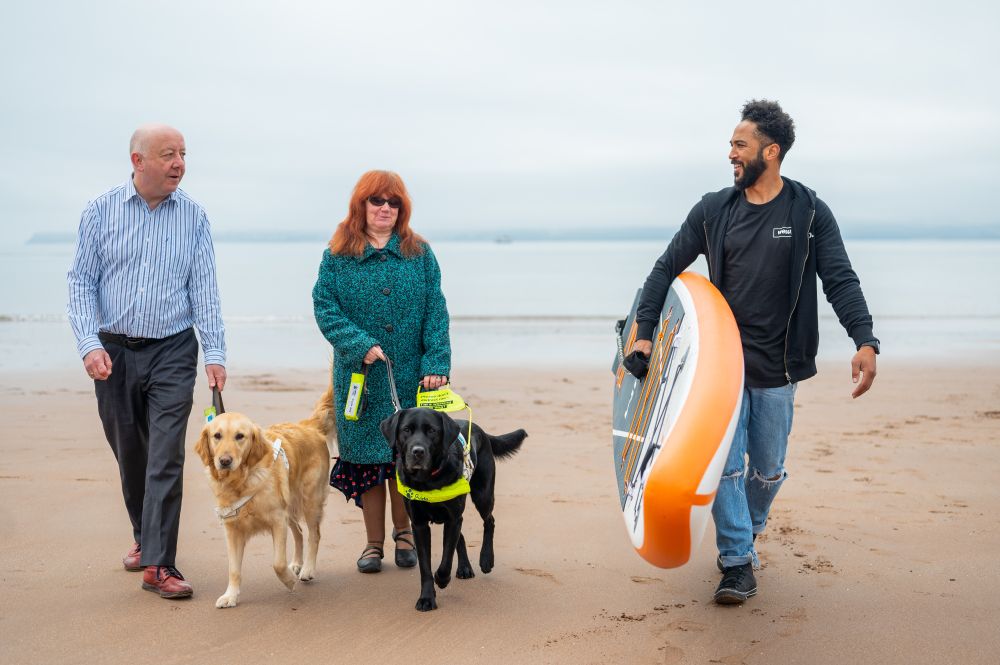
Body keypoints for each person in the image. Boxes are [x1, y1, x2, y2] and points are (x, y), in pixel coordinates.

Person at [633, 100, 878, 605]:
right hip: (719, 366)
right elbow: (663, 270)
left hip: (778, 366)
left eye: (739, 145)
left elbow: (839, 279)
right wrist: (642, 330)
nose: (730, 154)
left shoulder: (808, 212)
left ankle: (746, 526)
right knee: (726, 464)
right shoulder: (712, 210)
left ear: (772, 151)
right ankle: (737, 561)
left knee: (766, 468)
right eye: (730, 145)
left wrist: (865, 339)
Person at [67, 123, 227, 600]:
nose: (179, 163)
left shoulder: (194, 217)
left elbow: (205, 290)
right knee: (131, 455)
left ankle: (160, 564)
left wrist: (214, 352)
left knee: (165, 457)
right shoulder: (100, 211)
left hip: (174, 350)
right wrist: (88, 345)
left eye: (183, 154)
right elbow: (80, 283)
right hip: (113, 352)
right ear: (138, 162)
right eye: (168, 154)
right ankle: (145, 535)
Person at [313, 170, 450, 573]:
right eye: (377, 201)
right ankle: (373, 544)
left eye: (393, 203)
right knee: (369, 462)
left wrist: (437, 363)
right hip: (360, 379)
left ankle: (405, 535)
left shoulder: (418, 252)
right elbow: (325, 309)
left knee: (407, 456)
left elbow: (436, 311)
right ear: (361, 205)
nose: (385, 209)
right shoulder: (337, 256)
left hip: (412, 376)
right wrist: (360, 344)